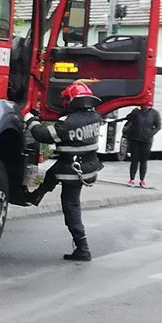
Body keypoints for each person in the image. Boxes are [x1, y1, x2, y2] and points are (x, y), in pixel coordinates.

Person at [27, 81, 105, 262]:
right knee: (52, 173)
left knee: (71, 206)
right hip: (86, 166)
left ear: (69, 101)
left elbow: (42, 135)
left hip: (73, 169)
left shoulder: (68, 123)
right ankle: (36, 195)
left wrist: (30, 120)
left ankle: (82, 248)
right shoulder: (95, 117)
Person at [124, 103, 161, 188]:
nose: (143, 106)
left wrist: (151, 134)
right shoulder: (136, 111)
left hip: (146, 140)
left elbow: (158, 126)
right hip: (134, 139)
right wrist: (134, 113)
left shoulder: (154, 113)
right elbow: (128, 118)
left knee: (143, 161)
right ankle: (132, 179)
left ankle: (142, 180)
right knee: (134, 160)